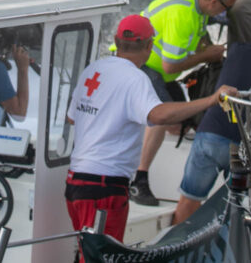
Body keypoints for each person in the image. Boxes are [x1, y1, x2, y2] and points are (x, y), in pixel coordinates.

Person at [65, 15, 238, 246]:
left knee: (86, 251)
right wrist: (211, 100)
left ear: (116, 40)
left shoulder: (93, 70)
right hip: (104, 188)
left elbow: (72, 118)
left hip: (75, 183)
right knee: (102, 257)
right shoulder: (135, 78)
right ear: (149, 46)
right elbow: (158, 116)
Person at [171, 15, 251, 225]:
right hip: (245, 147)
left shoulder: (236, 51)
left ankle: (176, 241)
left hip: (212, 134)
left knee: (189, 200)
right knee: (236, 206)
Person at [129, 0, 240, 206]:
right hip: (139, 64)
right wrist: (206, 56)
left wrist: (214, 52)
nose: (226, 12)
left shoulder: (197, 1)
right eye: (227, 7)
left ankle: (167, 164)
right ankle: (138, 180)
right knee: (163, 115)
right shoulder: (183, 14)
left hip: (159, 70)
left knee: (183, 120)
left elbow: (199, 38)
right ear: (214, 2)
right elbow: (170, 65)